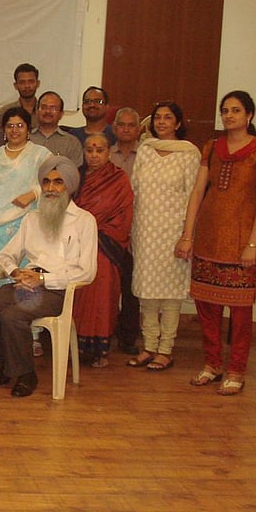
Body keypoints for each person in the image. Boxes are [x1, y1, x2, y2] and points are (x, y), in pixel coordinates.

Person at [177, 91, 256, 395]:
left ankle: (236, 369)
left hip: (241, 240)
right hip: (208, 236)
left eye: (236, 110)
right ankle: (212, 365)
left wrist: (252, 243)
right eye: (225, 111)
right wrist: (187, 235)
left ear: (249, 116)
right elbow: (197, 194)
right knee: (207, 307)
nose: (229, 116)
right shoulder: (211, 148)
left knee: (240, 312)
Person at [0, 157, 97, 397]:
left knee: (12, 315)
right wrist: (15, 272)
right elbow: (7, 255)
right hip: (24, 283)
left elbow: (87, 271)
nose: (50, 188)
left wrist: (43, 280)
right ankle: (12, 366)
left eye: (58, 182)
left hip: (56, 290)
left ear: (69, 186)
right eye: (47, 182)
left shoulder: (84, 221)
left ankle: (26, 373)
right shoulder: (31, 219)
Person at [128, 101, 200, 371]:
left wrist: (187, 235)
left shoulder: (189, 153)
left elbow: (193, 195)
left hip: (173, 231)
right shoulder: (145, 150)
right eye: (157, 117)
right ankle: (148, 346)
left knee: (170, 294)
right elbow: (135, 189)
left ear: (178, 123)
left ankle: (166, 349)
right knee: (146, 292)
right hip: (145, 229)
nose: (161, 122)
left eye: (168, 118)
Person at [72, 133, 134, 367]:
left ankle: (99, 349)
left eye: (99, 150)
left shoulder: (118, 180)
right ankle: (75, 346)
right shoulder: (76, 177)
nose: (94, 155)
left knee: (101, 294)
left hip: (105, 247)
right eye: (90, 150)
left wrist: (95, 234)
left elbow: (123, 216)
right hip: (76, 246)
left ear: (109, 152)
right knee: (77, 293)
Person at [0, 107, 52, 257]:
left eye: (20, 125)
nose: (14, 130)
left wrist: (34, 194)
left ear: (29, 129)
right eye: (10, 126)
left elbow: (53, 184)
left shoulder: (41, 155)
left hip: (29, 221)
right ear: (4, 130)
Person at [110, 107, 143, 355]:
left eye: (132, 125)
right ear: (114, 128)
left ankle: (129, 337)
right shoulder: (104, 153)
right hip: (108, 232)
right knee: (108, 287)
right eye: (122, 125)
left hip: (139, 230)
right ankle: (105, 332)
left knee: (132, 287)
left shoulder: (147, 156)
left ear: (139, 129)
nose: (126, 129)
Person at [29, 91, 84, 167]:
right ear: (37, 111)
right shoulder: (26, 138)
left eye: (53, 108)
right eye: (44, 107)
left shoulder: (71, 142)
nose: (48, 111)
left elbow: (74, 174)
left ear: (61, 114)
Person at [0, 63, 40, 131]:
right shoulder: (5, 111)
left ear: (38, 83)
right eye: (22, 82)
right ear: (15, 85)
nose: (27, 86)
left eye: (31, 81)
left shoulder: (44, 111)